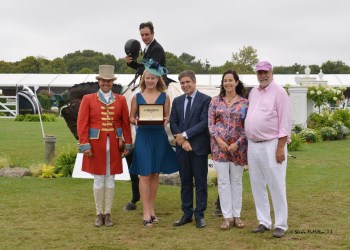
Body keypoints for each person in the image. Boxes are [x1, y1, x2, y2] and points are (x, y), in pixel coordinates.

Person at [123, 21, 174, 212]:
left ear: (152, 33)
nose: (144, 37)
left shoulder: (157, 48)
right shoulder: (146, 49)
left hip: (161, 82)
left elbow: (153, 71)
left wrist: (136, 64)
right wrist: (132, 64)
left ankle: (171, 124)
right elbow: (142, 71)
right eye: (142, 35)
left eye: (146, 34)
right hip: (148, 83)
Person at [77, 65, 132, 227]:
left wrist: (127, 143)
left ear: (112, 82)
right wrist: (84, 144)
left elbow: (125, 123)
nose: (106, 83)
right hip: (95, 145)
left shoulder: (120, 99)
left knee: (110, 179)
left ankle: (107, 213)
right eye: (103, 80)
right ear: (99, 81)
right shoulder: (88, 99)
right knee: (98, 179)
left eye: (109, 81)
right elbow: (82, 124)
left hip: (114, 145)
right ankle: (98, 213)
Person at [129, 60, 179, 227]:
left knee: (155, 174)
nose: (150, 80)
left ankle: (152, 210)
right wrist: (136, 121)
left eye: (153, 78)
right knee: (144, 174)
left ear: (158, 79)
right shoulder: (136, 97)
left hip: (158, 136)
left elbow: (167, 116)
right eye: (148, 78)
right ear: (144, 79)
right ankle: (145, 211)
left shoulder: (165, 97)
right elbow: (131, 117)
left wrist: (166, 120)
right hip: (143, 136)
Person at [245, 61, 292, 238]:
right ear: (256, 74)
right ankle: (264, 221)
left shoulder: (279, 92)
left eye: (265, 72)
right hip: (253, 144)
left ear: (271, 72)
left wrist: (281, 147)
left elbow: (285, 121)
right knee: (257, 185)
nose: (263, 75)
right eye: (260, 73)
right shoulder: (253, 92)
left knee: (277, 184)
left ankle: (281, 223)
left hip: (272, 144)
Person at [170, 70, 211, 228]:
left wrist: (185, 136)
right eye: (182, 83)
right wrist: (182, 142)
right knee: (185, 182)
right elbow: (173, 122)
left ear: (194, 82)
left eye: (188, 82)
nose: (185, 85)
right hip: (182, 149)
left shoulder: (206, 100)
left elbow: (204, 122)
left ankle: (199, 215)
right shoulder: (177, 101)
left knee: (200, 182)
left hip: (198, 148)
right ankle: (186, 213)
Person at [208, 69, 248, 230]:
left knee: (236, 181)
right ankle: (227, 217)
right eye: (225, 80)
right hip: (219, 148)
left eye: (231, 80)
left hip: (238, 148)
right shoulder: (215, 101)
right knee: (223, 181)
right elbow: (211, 124)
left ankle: (237, 215)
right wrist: (220, 142)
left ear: (236, 82)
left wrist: (237, 143)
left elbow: (248, 126)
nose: (228, 83)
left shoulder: (245, 103)